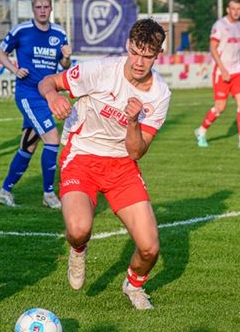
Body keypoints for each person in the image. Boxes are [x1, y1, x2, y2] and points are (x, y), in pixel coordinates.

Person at [38, 18, 171, 310]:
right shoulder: (100, 70)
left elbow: (136, 153)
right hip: (82, 157)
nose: (139, 62)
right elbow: (48, 81)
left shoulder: (160, 94)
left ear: (157, 55)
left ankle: (134, 286)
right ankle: (78, 249)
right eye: (135, 52)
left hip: (122, 166)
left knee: (150, 248)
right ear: (128, 46)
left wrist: (133, 121)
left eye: (147, 56)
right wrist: (52, 97)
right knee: (78, 229)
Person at [0, 0, 72, 209]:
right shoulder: (22, 30)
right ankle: (48, 194)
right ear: (33, 9)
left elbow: (65, 66)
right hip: (28, 94)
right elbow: (0, 53)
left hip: (47, 95)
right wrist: (13, 69)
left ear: (51, 8)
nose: (42, 11)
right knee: (53, 139)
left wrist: (66, 56)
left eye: (46, 7)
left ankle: (4, 191)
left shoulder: (59, 32)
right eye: (38, 7)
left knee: (27, 147)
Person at [194, 0, 240, 149]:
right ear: (228, 9)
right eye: (232, 8)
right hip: (222, 72)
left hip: (237, 72)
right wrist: (222, 69)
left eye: (238, 9)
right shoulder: (220, 25)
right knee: (220, 107)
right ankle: (201, 131)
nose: (235, 11)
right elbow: (213, 48)